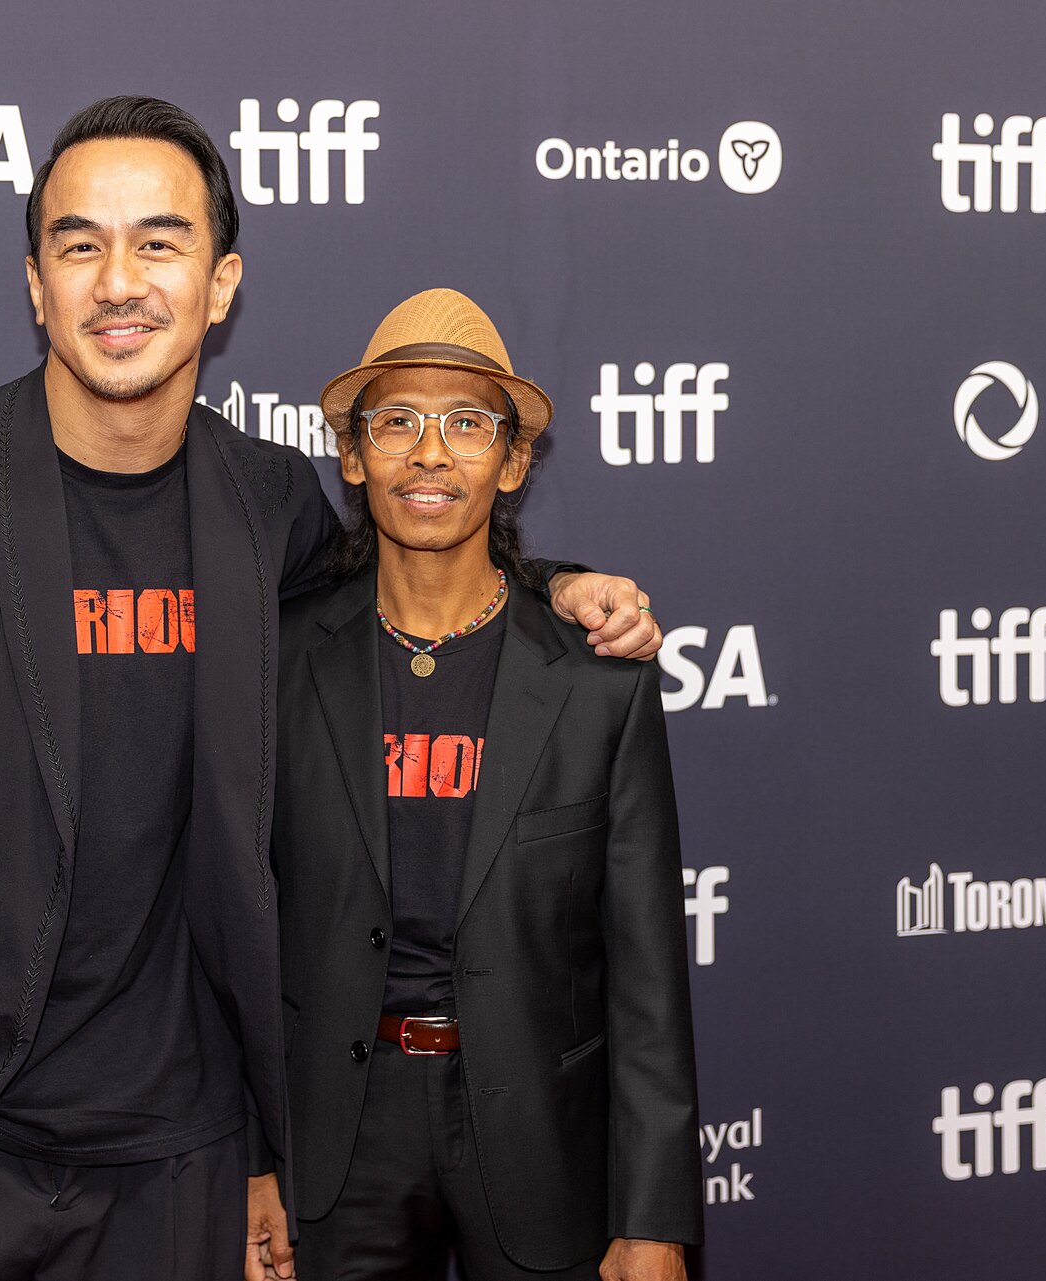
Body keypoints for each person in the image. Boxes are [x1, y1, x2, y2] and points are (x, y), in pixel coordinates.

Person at [0, 97, 661, 1281]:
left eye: (159, 244)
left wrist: (555, 586)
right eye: (80, 245)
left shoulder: (269, 505)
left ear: (220, 286)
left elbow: (406, 585)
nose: (120, 282)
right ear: (36, 285)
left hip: (181, 1165)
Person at [248, 290, 701, 1281]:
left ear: (513, 461)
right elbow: (233, 930)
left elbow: (649, 977)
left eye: (466, 424)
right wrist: (251, 1161)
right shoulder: (280, 662)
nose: (430, 454)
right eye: (397, 423)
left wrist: (655, 1216)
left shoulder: (598, 680)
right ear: (353, 456)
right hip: (335, 1137)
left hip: (543, 1132)